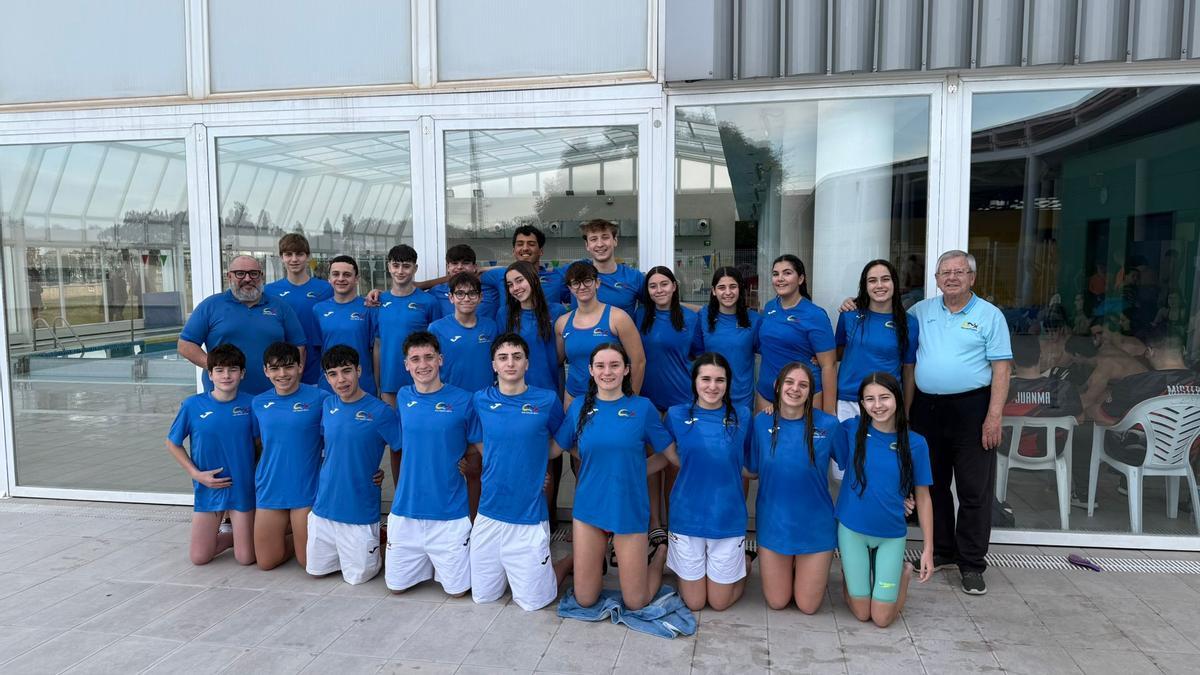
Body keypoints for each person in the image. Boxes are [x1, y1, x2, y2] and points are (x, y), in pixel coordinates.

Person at [907, 250, 1011, 596]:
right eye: (945, 272)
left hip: (972, 409)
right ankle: (942, 550)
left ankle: (971, 563)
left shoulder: (990, 315)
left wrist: (993, 416)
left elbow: (1001, 370)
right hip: (927, 409)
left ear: (972, 278)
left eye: (959, 272)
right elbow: (885, 317)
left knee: (973, 489)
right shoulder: (920, 312)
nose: (951, 278)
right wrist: (852, 304)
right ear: (936, 279)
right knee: (932, 484)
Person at [555, 343, 674, 611]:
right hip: (590, 507)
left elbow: (667, 455)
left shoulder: (642, 408)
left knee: (636, 602)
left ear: (626, 370)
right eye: (600, 366)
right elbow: (558, 446)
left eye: (614, 365)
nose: (607, 372)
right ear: (591, 370)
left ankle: (659, 555)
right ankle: (570, 561)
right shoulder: (578, 408)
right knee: (585, 599)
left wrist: (635, 469)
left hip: (628, 508)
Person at [468, 333, 573, 611]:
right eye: (503, 358)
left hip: (529, 516)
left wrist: (534, 464)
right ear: (494, 365)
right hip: (489, 514)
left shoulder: (546, 400)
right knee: (483, 597)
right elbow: (478, 440)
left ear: (527, 363)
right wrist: (501, 461)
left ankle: (567, 562)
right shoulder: (480, 400)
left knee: (534, 603)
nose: (510, 363)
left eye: (517, 357)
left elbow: (559, 443)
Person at [836, 372, 934, 627]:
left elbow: (923, 498)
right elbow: (814, 424)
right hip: (853, 530)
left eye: (884, 397)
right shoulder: (851, 429)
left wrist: (928, 549)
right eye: (870, 399)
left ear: (898, 399)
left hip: (891, 534)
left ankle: (903, 573)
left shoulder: (916, 443)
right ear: (862, 403)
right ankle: (852, 572)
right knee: (861, 613)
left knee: (881, 619)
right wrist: (772, 408)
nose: (877, 405)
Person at [746, 362, 843, 613]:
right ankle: (769, 563)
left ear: (811, 391)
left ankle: (805, 567)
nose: (795, 389)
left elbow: (855, 465)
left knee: (808, 606)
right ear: (778, 386)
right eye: (789, 382)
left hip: (815, 526)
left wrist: (901, 493)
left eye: (803, 385)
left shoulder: (829, 425)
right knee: (777, 602)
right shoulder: (761, 423)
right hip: (774, 524)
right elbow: (751, 469)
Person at [385, 331, 477, 596]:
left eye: (429, 357)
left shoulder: (464, 400)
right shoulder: (403, 397)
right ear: (406, 365)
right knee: (396, 588)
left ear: (440, 360)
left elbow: (478, 444)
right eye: (415, 359)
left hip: (449, 512)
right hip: (407, 511)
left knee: (458, 592)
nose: (422, 364)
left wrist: (466, 459)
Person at [660, 353, 753, 611]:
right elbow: (666, 457)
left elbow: (752, 463)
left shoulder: (743, 416)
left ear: (728, 383)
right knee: (695, 603)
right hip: (686, 517)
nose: (713, 386)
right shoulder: (676, 415)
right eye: (706, 379)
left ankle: (745, 563)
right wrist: (631, 472)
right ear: (694, 381)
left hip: (727, 518)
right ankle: (671, 560)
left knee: (719, 603)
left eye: (720, 380)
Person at [306, 345, 400, 585]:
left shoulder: (381, 412)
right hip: (324, 507)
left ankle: (379, 539)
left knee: (357, 579)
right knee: (316, 572)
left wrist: (389, 479)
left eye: (346, 371)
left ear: (358, 370)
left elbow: (401, 450)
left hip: (359, 509)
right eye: (333, 374)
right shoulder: (328, 405)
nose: (341, 379)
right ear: (327, 378)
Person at [166, 344, 256, 566]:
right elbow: (172, 443)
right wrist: (196, 475)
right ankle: (231, 535)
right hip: (208, 486)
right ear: (210, 374)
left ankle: (252, 535)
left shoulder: (252, 404)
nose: (226, 376)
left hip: (241, 487)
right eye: (220, 370)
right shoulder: (192, 405)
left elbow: (260, 444)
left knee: (246, 558)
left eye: (233, 369)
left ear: (242, 373)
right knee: (199, 558)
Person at [250, 342, 329, 570]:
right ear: (265, 371)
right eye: (275, 368)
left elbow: (339, 439)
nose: (282, 374)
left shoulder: (320, 398)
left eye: (288, 367)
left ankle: (298, 536)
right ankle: (292, 536)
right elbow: (255, 443)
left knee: (308, 564)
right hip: (270, 487)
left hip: (306, 487)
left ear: (300, 367)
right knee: (266, 562)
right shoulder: (258, 403)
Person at [178, 255, 306, 395]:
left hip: (273, 396)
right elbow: (185, 345)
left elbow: (299, 346)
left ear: (261, 276)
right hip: (224, 397)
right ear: (229, 276)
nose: (247, 279)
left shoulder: (280, 307)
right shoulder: (210, 306)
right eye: (240, 273)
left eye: (253, 273)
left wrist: (292, 382)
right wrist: (216, 368)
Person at [836, 260, 919, 420]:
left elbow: (909, 372)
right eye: (872, 280)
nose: (879, 285)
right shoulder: (849, 315)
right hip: (849, 401)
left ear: (894, 283)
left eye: (885, 279)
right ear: (865, 286)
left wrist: (906, 413)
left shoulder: (909, 323)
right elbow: (836, 354)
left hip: (887, 402)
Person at [556, 261, 645, 405]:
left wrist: (630, 401)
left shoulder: (618, 318)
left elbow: (639, 362)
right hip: (573, 400)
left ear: (597, 283)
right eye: (576, 283)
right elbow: (558, 360)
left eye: (587, 281)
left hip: (612, 400)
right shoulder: (562, 323)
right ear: (570, 288)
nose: (582, 287)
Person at [756, 255, 837, 414]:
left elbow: (829, 365)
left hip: (801, 396)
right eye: (775, 274)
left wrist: (829, 412)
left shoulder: (815, 315)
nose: (780, 278)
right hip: (766, 394)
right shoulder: (770, 307)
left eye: (787, 273)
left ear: (800, 279)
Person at [265, 233, 333, 386]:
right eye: (288, 254)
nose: (294, 259)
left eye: (299, 254)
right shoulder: (269, 291)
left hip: (317, 368)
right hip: (281, 371)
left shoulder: (325, 289)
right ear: (281, 257)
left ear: (307, 256)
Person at [376, 244, 440, 406]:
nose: (400, 271)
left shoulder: (429, 302)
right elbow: (377, 345)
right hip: (389, 381)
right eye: (395, 265)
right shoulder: (378, 302)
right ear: (388, 267)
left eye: (406, 266)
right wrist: (377, 383)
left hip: (421, 380)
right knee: (391, 422)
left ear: (415, 268)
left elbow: (437, 346)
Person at [637, 266, 704, 413]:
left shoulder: (691, 318)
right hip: (646, 400)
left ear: (674, 286)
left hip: (681, 399)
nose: (659, 290)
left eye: (664, 284)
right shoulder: (639, 315)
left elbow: (699, 358)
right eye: (653, 286)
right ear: (647, 290)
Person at [312, 255, 381, 396]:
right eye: (336, 274)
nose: (341, 278)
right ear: (329, 278)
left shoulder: (369, 308)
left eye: (347, 274)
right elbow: (316, 351)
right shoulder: (318, 310)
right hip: (329, 387)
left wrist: (378, 384)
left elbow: (376, 350)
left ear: (356, 279)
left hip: (363, 385)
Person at [498, 261, 567, 393]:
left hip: (551, 388)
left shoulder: (557, 312)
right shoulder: (504, 314)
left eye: (519, 280)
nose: (515, 288)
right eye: (510, 285)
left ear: (534, 279)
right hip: (516, 391)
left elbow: (560, 356)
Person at [699, 266, 760, 411]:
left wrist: (810, 354)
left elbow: (774, 350)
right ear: (714, 291)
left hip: (742, 399)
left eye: (733, 286)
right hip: (710, 395)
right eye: (722, 287)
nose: (728, 292)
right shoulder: (703, 316)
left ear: (740, 289)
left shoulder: (754, 320)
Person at [428, 272, 499, 393]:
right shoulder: (436, 329)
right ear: (451, 297)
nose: (466, 299)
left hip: (485, 397)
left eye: (472, 293)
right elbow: (430, 367)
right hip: (451, 398)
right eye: (460, 294)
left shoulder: (491, 327)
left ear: (480, 297)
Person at [481, 225, 569, 315]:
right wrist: (486, 268)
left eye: (531, 244)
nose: (525, 248)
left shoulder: (557, 277)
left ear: (541, 251)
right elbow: (474, 274)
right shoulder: (500, 274)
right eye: (520, 244)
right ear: (514, 251)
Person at [577, 219, 643, 319]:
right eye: (594, 239)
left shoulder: (634, 277)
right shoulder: (575, 274)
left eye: (605, 237)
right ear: (587, 245)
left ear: (615, 241)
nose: (600, 244)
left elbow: (653, 308)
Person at [429, 244, 500, 320]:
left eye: (465, 263)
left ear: (474, 266)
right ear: (448, 267)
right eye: (455, 263)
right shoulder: (436, 292)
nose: (459, 267)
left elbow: (506, 272)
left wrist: (483, 269)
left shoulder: (492, 291)